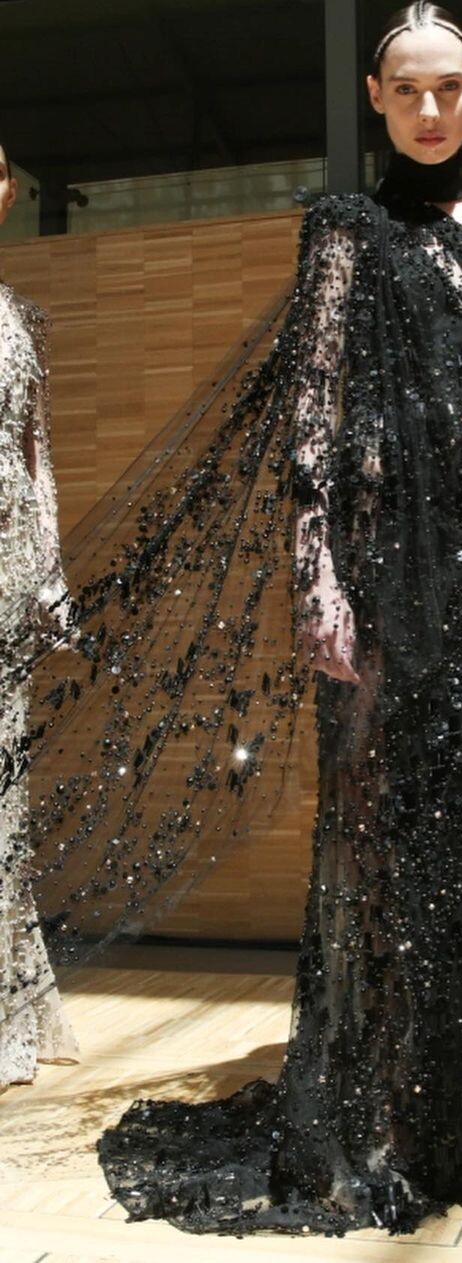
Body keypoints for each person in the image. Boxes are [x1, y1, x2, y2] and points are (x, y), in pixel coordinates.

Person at [1, 0, 462, 1234]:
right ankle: (385, 1086)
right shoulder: (344, 229)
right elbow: (315, 413)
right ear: (376, 98)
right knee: (374, 816)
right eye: (405, 90)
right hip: (375, 555)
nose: (427, 109)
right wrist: (318, 574)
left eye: (446, 88)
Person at [0, 140, 79, 1090]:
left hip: (6, 574)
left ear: (10, 192)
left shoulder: (21, 319)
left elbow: (36, 453)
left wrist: (49, 574)